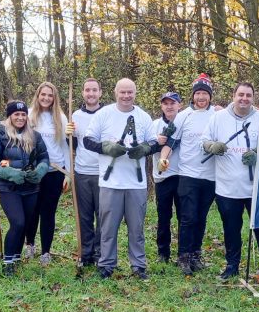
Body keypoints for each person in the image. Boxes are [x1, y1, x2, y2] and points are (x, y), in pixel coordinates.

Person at [202, 82, 259, 281]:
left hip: (256, 188)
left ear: (253, 98)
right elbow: (204, 142)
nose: (244, 99)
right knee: (231, 229)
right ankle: (232, 266)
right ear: (233, 95)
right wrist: (213, 146)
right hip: (227, 187)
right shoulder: (218, 118)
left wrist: (257, 154)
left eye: (248, 95)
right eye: (241, 94)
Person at [83, 78, 159, 279]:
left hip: (136, 182)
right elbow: (87, 141)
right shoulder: (103, 114)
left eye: (130, 92)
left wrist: (144, 149)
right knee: (108, 227)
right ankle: (107, 264)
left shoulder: (143, 117)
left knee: (137, 228)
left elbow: (155, 142)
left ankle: (138, 265)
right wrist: (106, 148)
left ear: (135, 93)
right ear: (115, 93)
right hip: (110, 182)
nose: (126, 96)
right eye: (123, 92)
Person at [159, 73, 217, 275]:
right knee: (188, 217)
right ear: (193, 96)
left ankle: (195, 254)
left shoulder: (218, 115)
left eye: (205, 94)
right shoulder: (183, 115)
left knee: (201, 218)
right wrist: (163, 158)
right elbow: (171, 141)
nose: (201, 97)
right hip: (188, 174)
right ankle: (183, 256)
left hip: (211, 176)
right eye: (198, 93)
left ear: (210, 95)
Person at [0, 101, 49, 275]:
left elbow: (44, 158)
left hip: (31, 188)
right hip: (9, 188)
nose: (20, 117)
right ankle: (7, 262)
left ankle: (16, 257)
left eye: (23, 114)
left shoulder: (35, 136)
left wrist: (41, 170)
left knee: (26, 223)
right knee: (18, 222)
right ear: (10, 116)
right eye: (16, 114)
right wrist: (9, 173)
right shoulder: (0, 136)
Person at [27, 82, 71, 266]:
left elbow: (65, 146)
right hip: (34, 170)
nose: (46, 98)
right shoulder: (29, 115)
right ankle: (29, 245)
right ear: (38, 95)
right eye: (43, 94)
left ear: (55, 98)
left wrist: (68, 173)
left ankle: (46, 251)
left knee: (48, 212)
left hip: (55, 170)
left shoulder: (60, 118)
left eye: (50, 95)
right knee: (32, 210)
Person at [70, 78, 103, 269]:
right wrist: (69, 136)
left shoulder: (107, 113)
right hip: (82, 172)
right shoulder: (75, 115)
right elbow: (73, 146)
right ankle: (86, 253)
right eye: (87, 90)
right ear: (83, 93)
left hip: (103, 173)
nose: (91, 93)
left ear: (100, 92)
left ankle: (100, 253)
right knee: (84, 215)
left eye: (94, 90)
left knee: (102, 215)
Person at [151, 91, 182, 263]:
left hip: (182, 175)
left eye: (173, 103)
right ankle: (163, 253)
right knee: (164, 215)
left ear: (179, 105)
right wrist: (157, 142)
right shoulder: (154, 125)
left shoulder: (185, 122)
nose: (169, 106)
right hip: (162, 177)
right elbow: (146, 146)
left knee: (184, 216)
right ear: (161, 106)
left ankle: (183, 253)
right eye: (166, 103)